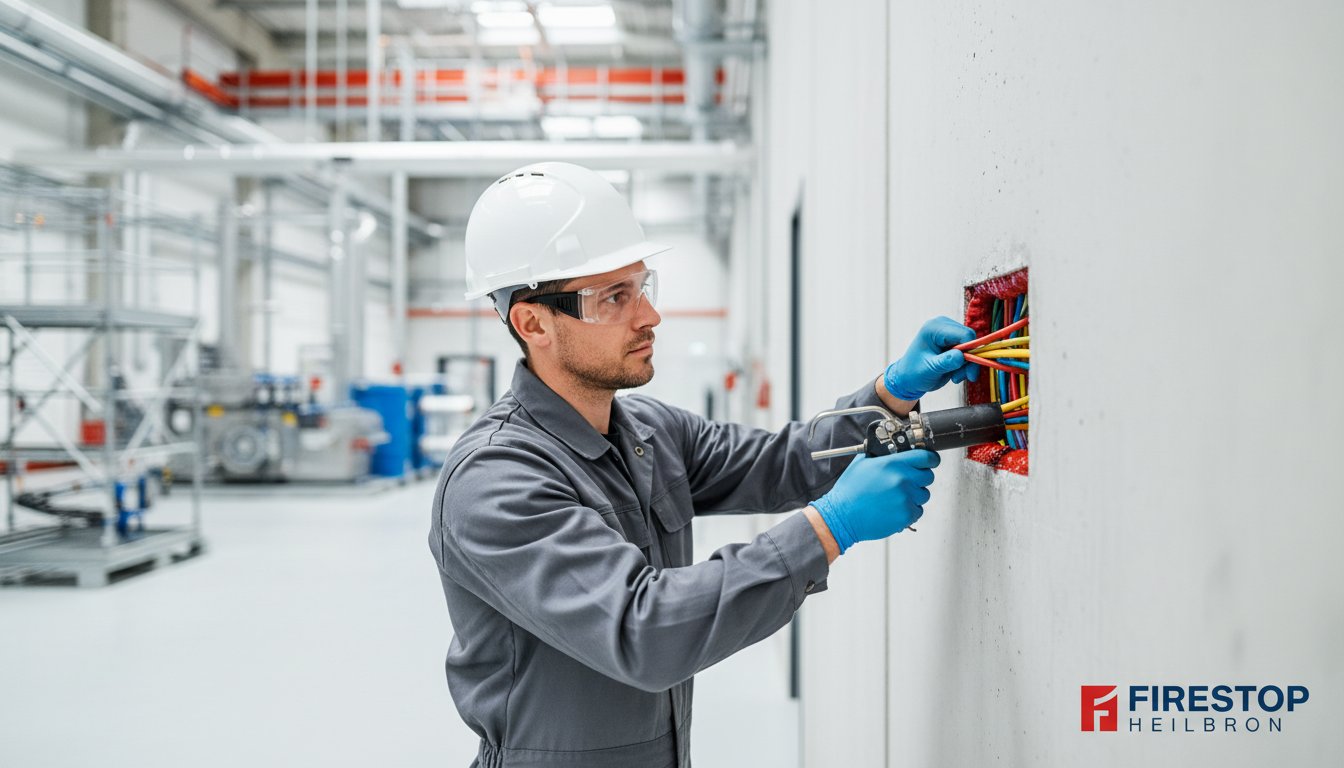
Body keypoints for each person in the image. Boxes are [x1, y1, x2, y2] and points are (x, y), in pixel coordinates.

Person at [428, 162, 978, 768]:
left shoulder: (649, 431)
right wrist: (829, 529)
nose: (649, 316)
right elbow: (643, 629)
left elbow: (779, 462)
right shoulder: (494, 480)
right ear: (533, 323)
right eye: (613, 297)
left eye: (642, 286)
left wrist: (889, 395)